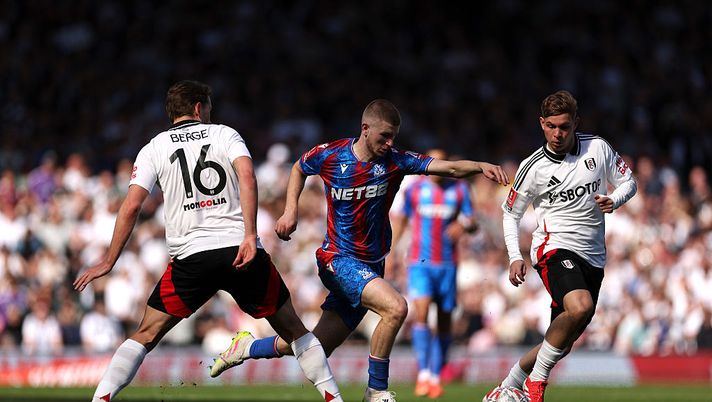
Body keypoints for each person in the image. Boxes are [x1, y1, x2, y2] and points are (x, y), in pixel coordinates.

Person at [209, 99, 509, 402]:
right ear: (365, 129)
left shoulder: (395, 161)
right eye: (385, 136)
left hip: (371, 265)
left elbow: (451, 168)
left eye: (394, 137)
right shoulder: (331, 154)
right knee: (396, 307)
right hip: (337, 260)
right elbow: (300, 167)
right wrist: (290, 211)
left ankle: (246, 347)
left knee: (314, 347)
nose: (390, 143)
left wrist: (480, 166)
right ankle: (375, 390)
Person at [74, 80, 343, 402]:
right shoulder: (225, 134)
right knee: (294, 330)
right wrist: (249, 235)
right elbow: (247, 175)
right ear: (200, 108)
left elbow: (131, 205)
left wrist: (108, 260)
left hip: (191, 259)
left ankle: (100, 399)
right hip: (239, 250)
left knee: (146, 333)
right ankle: (334, 399)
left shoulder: (154, 147)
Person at [483, 90, 637, 402]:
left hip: (593, 257)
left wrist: (615, 199)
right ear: (542, 124)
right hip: (553, 249)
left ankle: (508, 384)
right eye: (551, 126)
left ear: (575, 123)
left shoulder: (598, 148)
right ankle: (535, 386)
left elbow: (629, 182)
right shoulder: (532, 167)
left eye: (564, 127)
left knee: (560, 342)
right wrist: (515, 256)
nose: (558, 133)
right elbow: (510, 213)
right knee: (580, 306)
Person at [389, 149, 477, 398]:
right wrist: (393, 252)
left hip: (448, 264)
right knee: (422, 311)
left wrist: (464, 225)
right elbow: (402, 221)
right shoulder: (414, 190)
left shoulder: (459, 190)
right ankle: (424, 373)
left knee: (445, 319)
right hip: (420, 262)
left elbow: (473, 221)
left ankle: (436, 374)